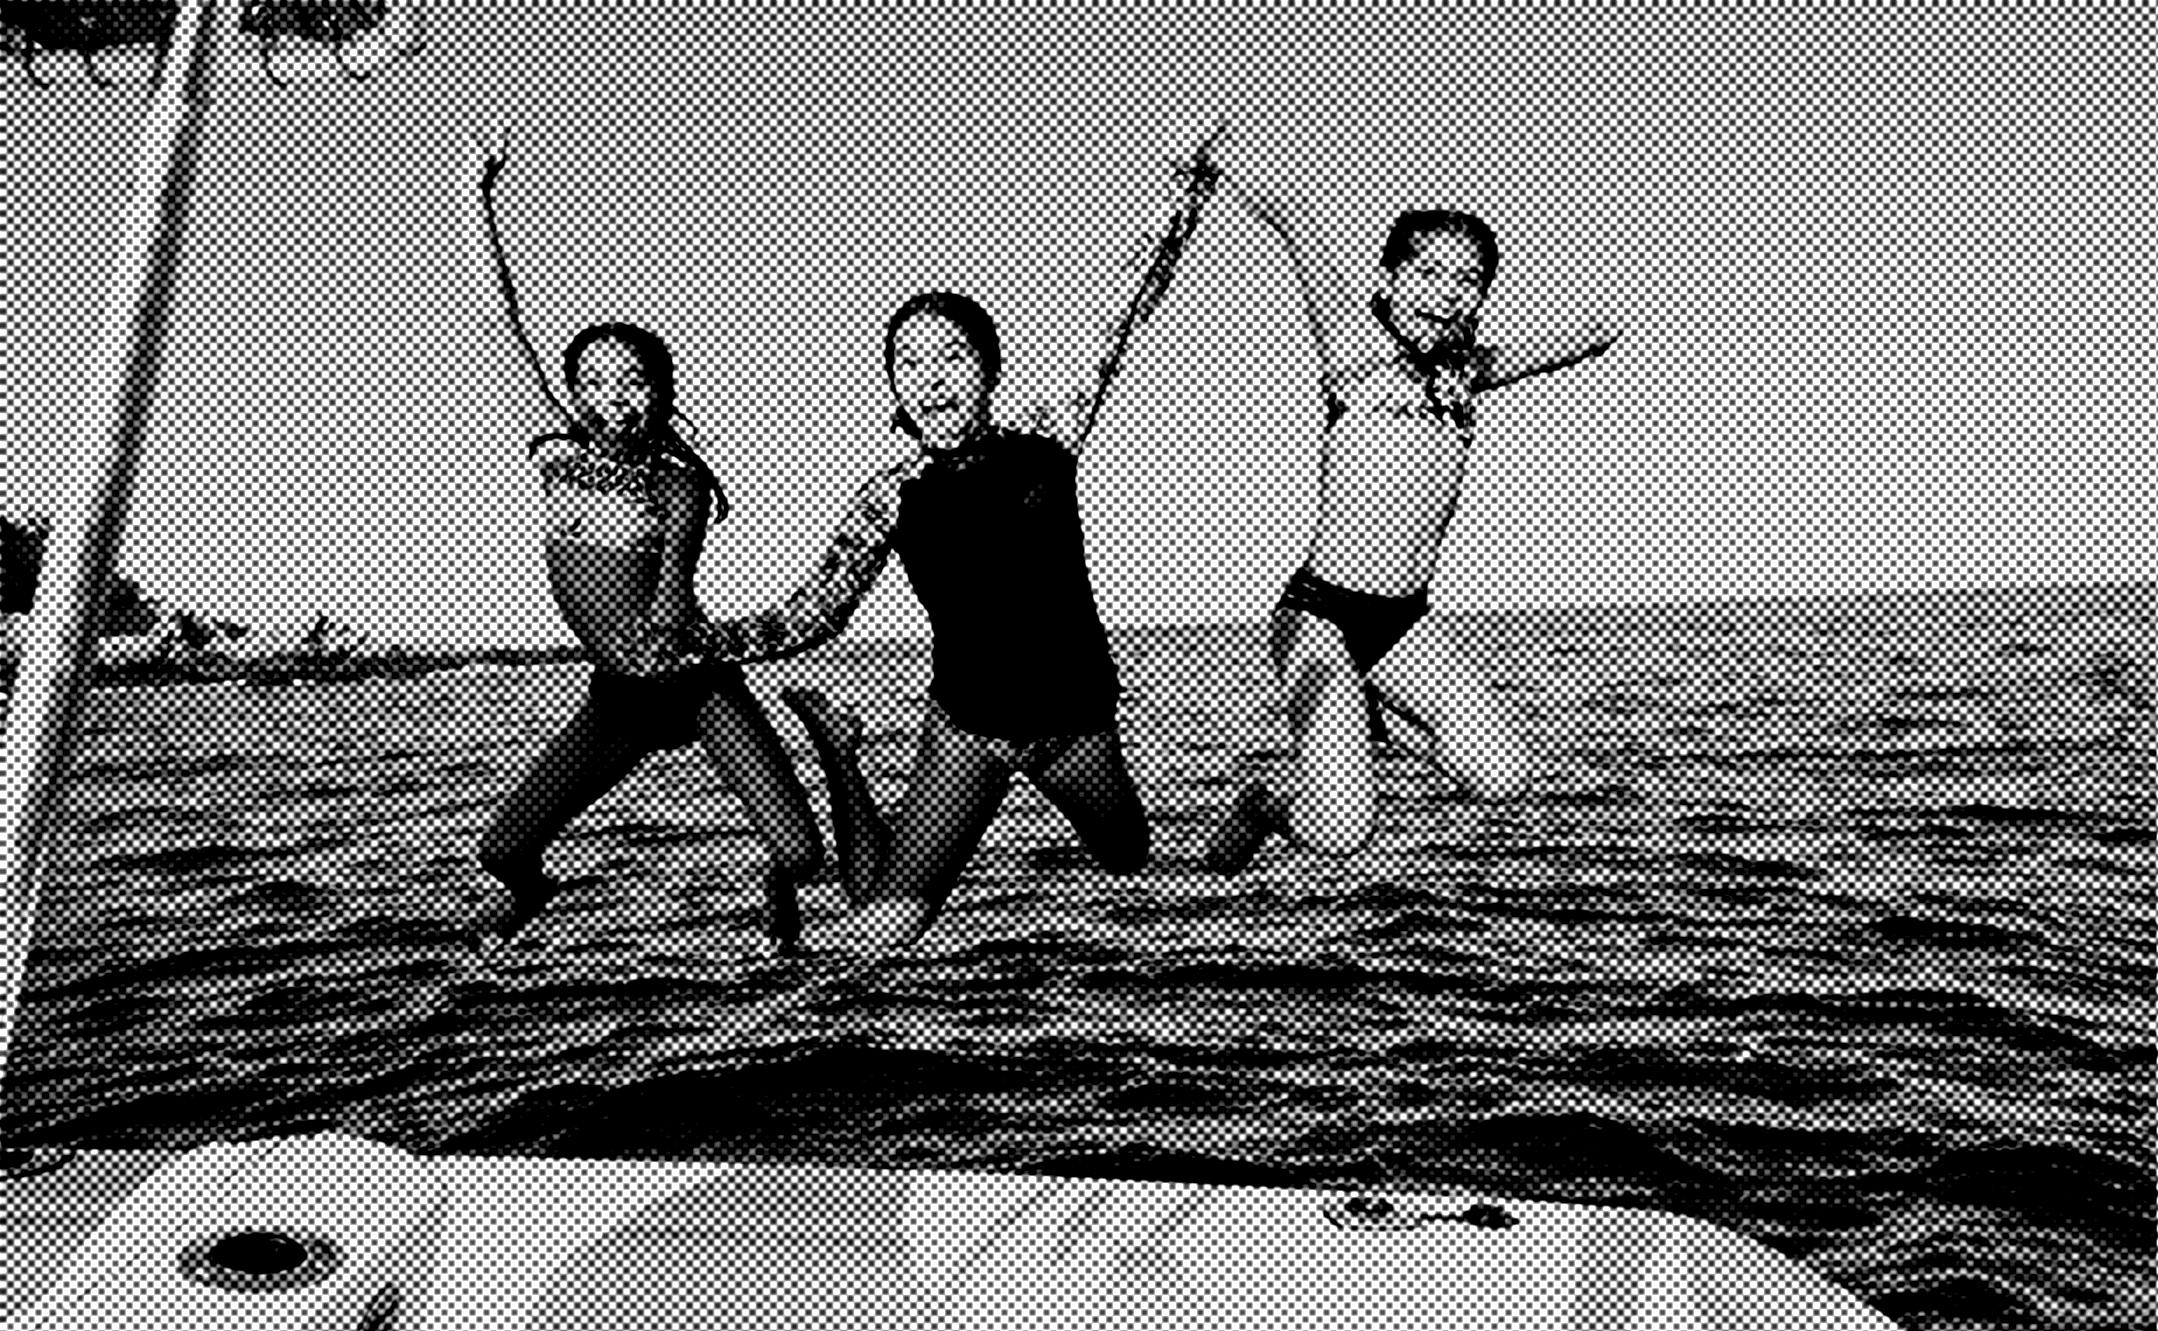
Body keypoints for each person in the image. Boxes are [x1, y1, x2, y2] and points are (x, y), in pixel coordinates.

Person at [692, 124, 1226, 954]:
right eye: (909, 363)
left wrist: (1180, 197)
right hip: (966, 727)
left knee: (1132, 862)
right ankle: (840, 751)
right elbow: (814, 613)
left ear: (989, 369)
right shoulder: (891, 494)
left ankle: (1248, 812)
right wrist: (700, 641)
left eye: (952, 358)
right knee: (878, 938)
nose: (931, 377)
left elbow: (1121, 309)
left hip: (1072, 726)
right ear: (893, 383)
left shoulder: (1048, 438)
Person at [1201, 148, 1619, 873]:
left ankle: (1364, 724)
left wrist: (1601, 325)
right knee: (1340, 833)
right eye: (1429, 274)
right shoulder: (1356, 349)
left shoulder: (1466, 373)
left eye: (1468, 281)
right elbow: (1297, 220)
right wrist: (1218, 156)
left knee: (1502, 779)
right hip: (1322, 615)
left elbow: (1570, 344)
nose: (1447, 293)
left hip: (1402, 624)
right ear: (1389, 279)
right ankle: (1265, 805)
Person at [467, 131, 823, 954]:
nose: (614, 396)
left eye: (633, 381)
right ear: (572, 392)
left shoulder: (677, 482)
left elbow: (668, 600)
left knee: (802, 857)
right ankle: (535, 891)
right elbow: (496, 321)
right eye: (593, 381)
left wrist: (674, 644)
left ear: (660, 391)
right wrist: (477, 196)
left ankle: (775, 897)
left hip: (693, 683)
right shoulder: (555, 453)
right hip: (620, 700)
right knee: (501, 850)